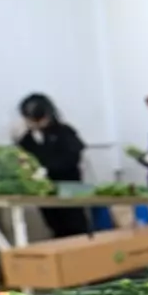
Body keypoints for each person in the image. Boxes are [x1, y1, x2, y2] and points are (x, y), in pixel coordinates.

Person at [16, 94, 89, 238]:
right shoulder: (27, 139)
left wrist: (47, 169)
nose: (35, 123)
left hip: (70, 188)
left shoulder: (65, 132)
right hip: (45, 191)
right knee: (55, 226)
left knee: (76, 227)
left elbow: (73, 158)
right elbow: (22, 160)